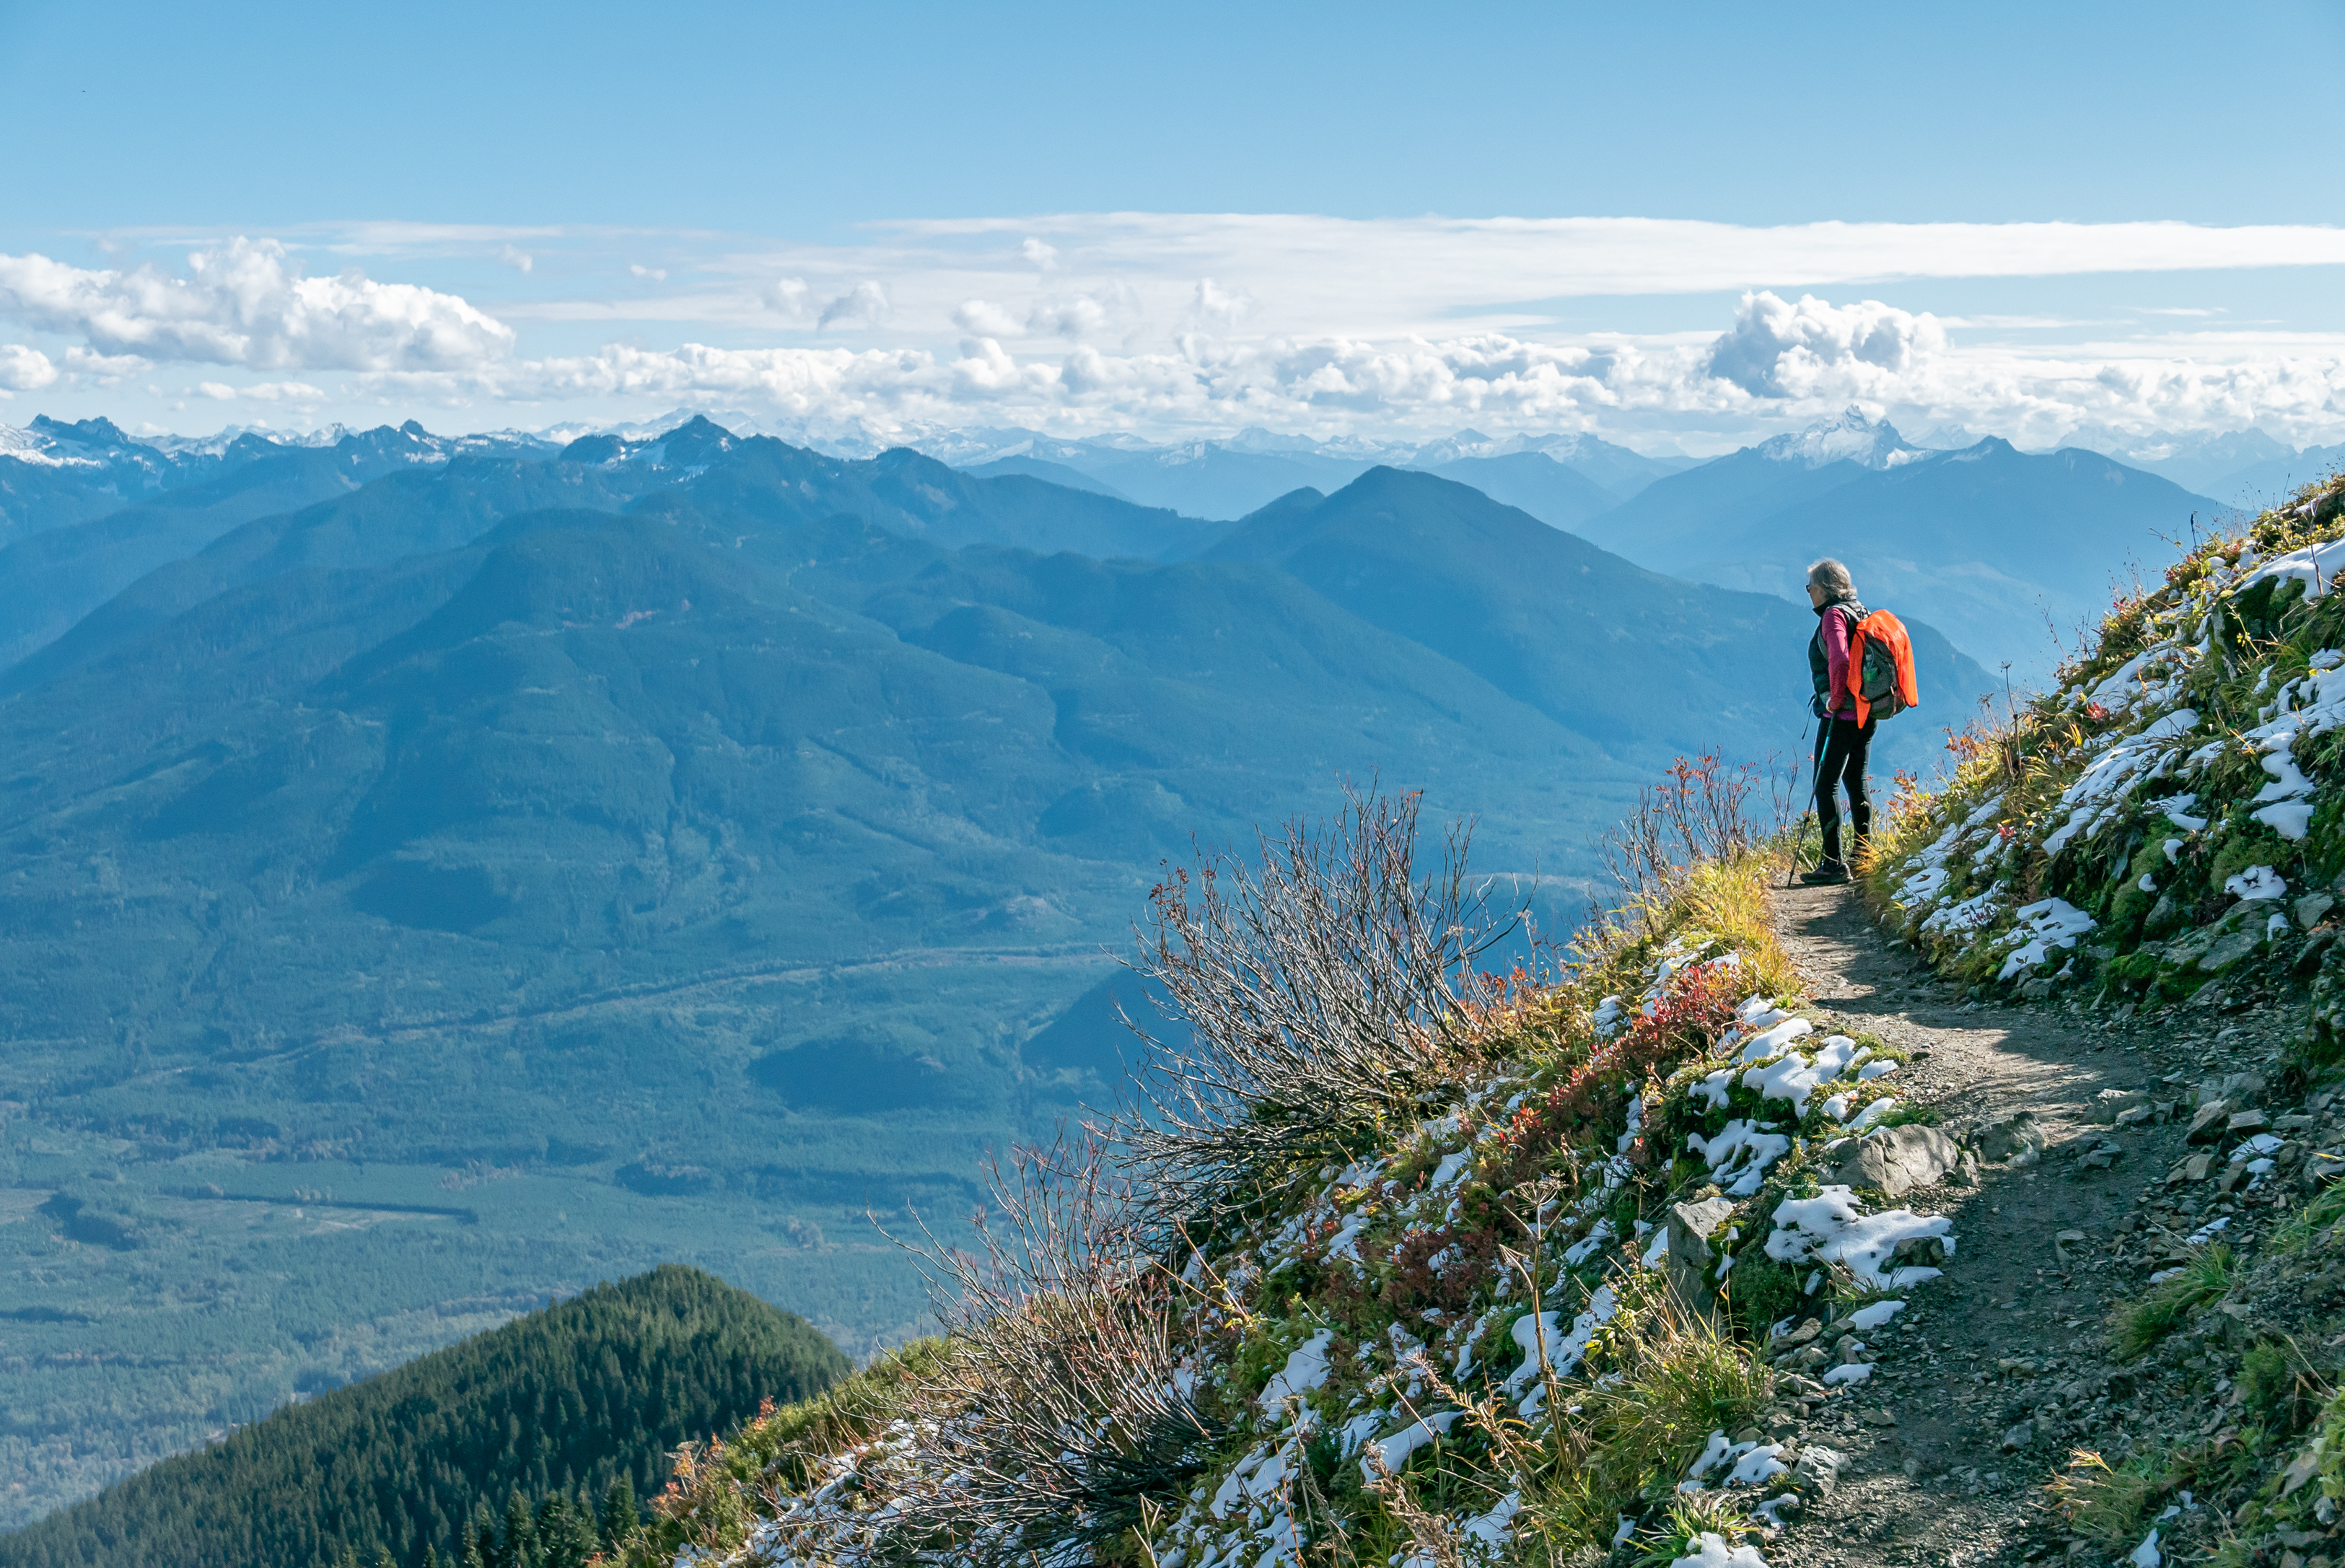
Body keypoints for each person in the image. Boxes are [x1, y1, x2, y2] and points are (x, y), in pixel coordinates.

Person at [1802, 558, 1872, 886]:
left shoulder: (1833, 615)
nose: (1808, 592)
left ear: (1825, 588)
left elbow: (1840, 658)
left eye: (1810, 586)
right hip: (1867, 712)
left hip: (1841, 715)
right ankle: (1864, 854)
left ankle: (1833, 863)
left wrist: (1834, 698)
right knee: (1856, 781)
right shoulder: (1858, 609)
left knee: (1824, 784)